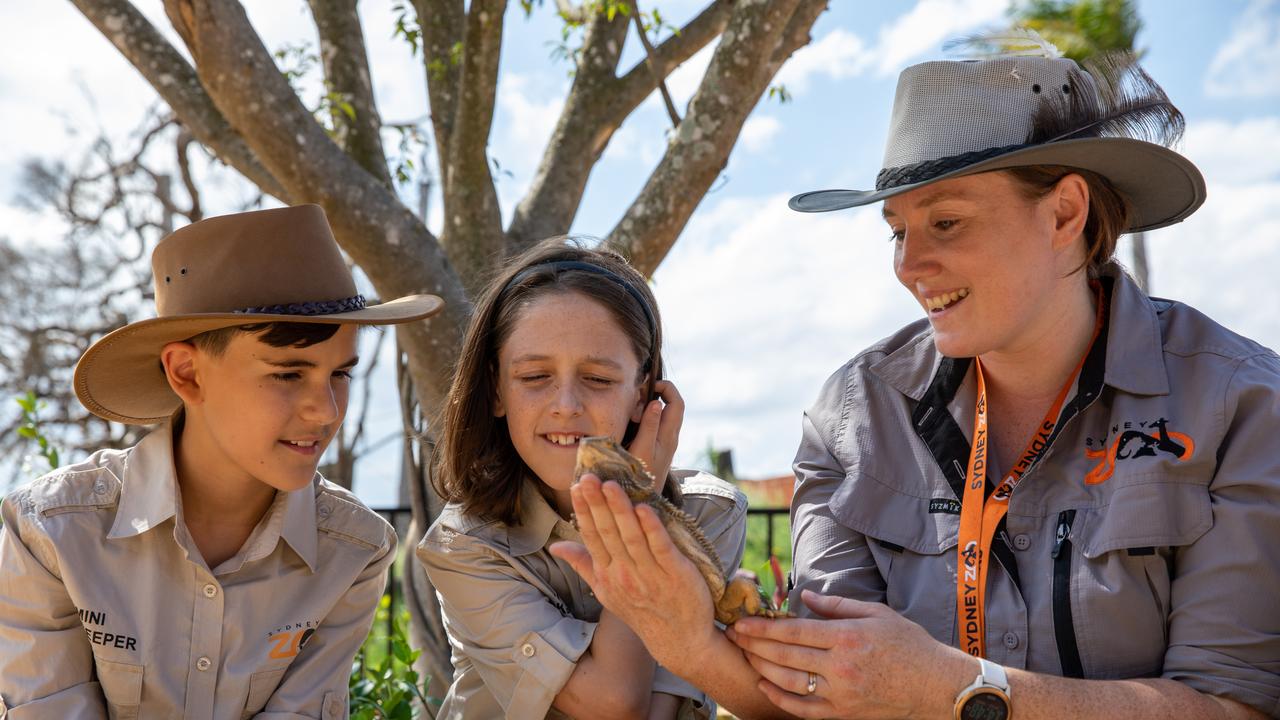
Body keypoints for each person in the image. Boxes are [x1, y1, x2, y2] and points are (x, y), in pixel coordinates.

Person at [551, 46, 1279, 720]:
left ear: (1065, 213)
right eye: (898, 230)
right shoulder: (854, 414)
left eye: (948, 222)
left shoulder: (1239, 405)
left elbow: (1234, 708)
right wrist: (680, 635)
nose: (909, 265)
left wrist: (959, 689)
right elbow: (824, 693)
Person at [0, 205, 443, 719]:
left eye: (341, 374)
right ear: (187, 373)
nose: (325, 411)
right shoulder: (50, 534)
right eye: (287, 375)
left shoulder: (354, 551)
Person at [416, 239, 748, 720]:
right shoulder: (464, 545)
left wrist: (642, 502)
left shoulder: (710, 515)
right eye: (534, 377)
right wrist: (637, 505)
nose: (566, 405)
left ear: (642, 392)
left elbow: (663, 709)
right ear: (496, 391)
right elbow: (615, 705)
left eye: (597, 379)